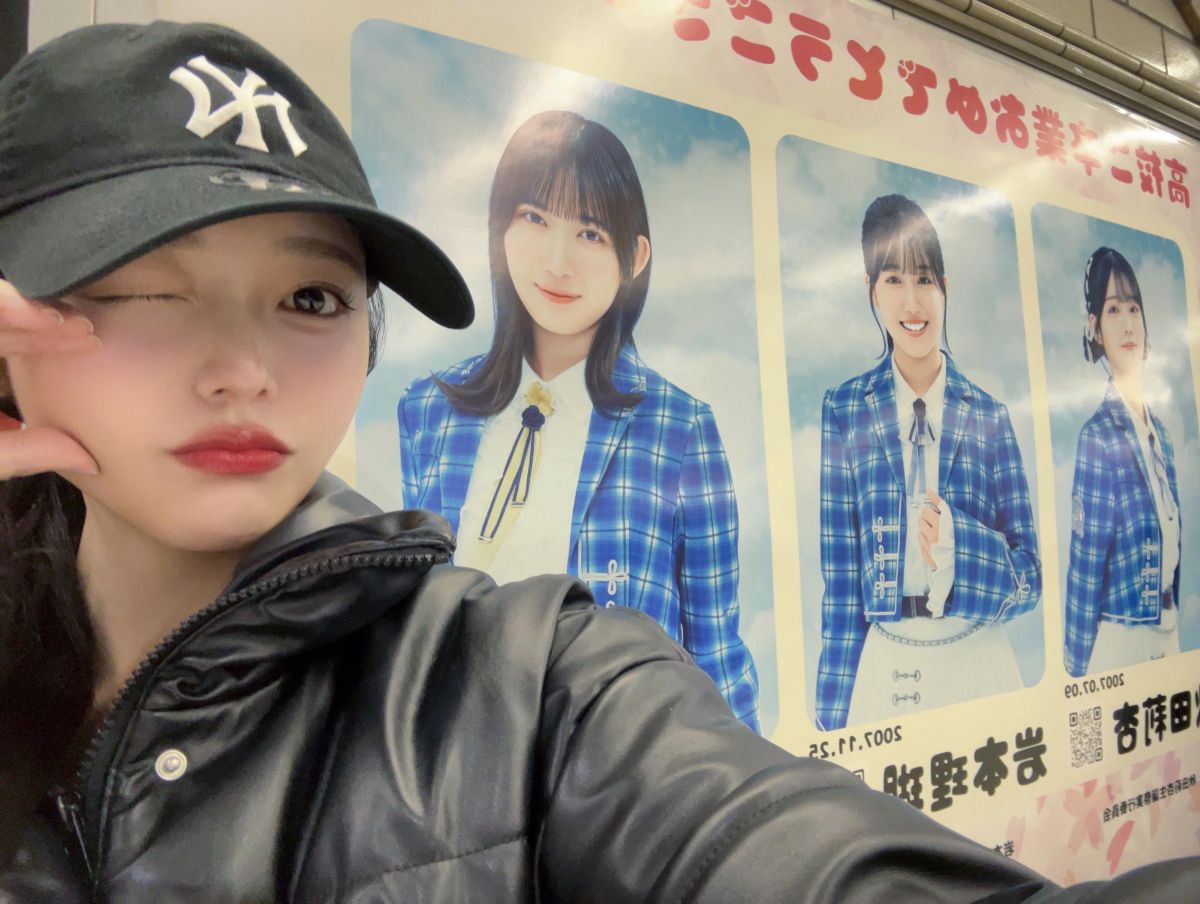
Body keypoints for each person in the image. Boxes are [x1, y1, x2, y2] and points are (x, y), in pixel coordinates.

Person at [1, 21, 1196, 904]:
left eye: (310, 295)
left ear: (635, 259)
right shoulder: (433, 412)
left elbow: (725, 755)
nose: (242, 369)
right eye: (147, 287)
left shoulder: (534, 682)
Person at [397, 110, 759, 729]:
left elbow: (715, 655)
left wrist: (750, 781)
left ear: (634, 257)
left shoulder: (681, 430)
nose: (558, 261)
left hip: (621, 769)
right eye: (534, 218)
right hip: (457, 764)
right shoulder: (430, 409)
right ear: (500, 231)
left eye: (590, 232)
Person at [815, 194, 1041, 731]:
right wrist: (829, 728)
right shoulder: (845, 410)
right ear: (872, 291)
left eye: (924, 279)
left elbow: (1030, 578)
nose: (912, 301)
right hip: (886, 665)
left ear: (945, 287)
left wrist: (960, 546)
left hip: (980, 661)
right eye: (893, 279)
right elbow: (842, 587)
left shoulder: (988, 414)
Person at [1063, 247, 1182, 677]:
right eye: (1114, 309)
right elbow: (1085, 569)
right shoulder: (1098, 436)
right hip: (1121, 641)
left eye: (1134, 307)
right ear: (1095, 327)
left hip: (1169, 632)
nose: (1129, 322)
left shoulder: (1162, 436)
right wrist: (1075, 676)